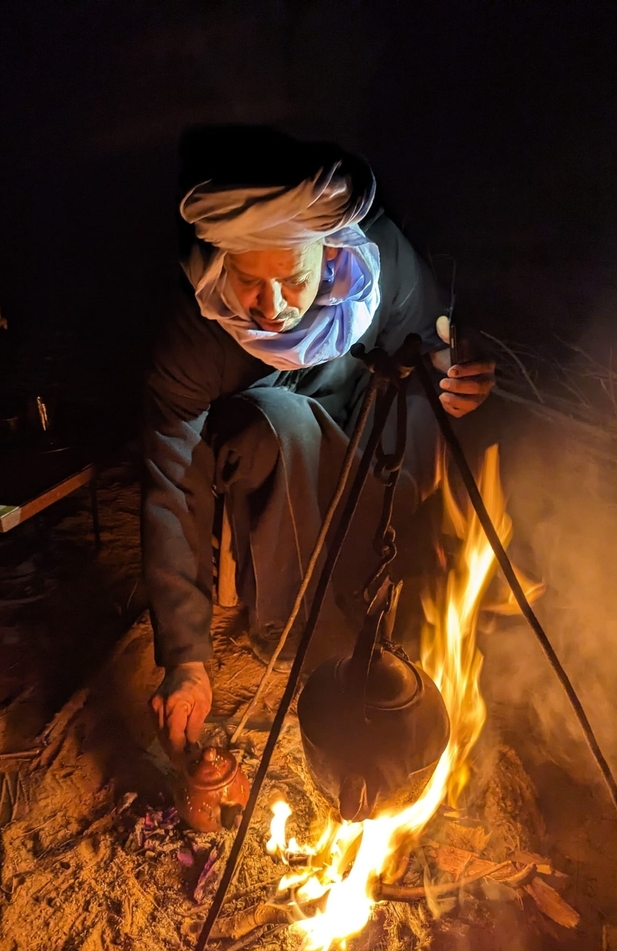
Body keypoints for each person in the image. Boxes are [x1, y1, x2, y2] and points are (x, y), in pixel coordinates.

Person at [143, 128, 495, 757]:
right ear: (222, 262)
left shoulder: (377, 261)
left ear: (331, 254)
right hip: (271, 438)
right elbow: (172, 487)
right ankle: (306, 630)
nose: (271, 308)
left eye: (293, 280)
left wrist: (456, 367)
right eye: (249, 281)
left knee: (414, 410)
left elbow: (431, 333)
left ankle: (398, 593)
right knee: (276, 419)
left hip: (357, 407)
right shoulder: (193, 337)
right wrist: (187, 656)